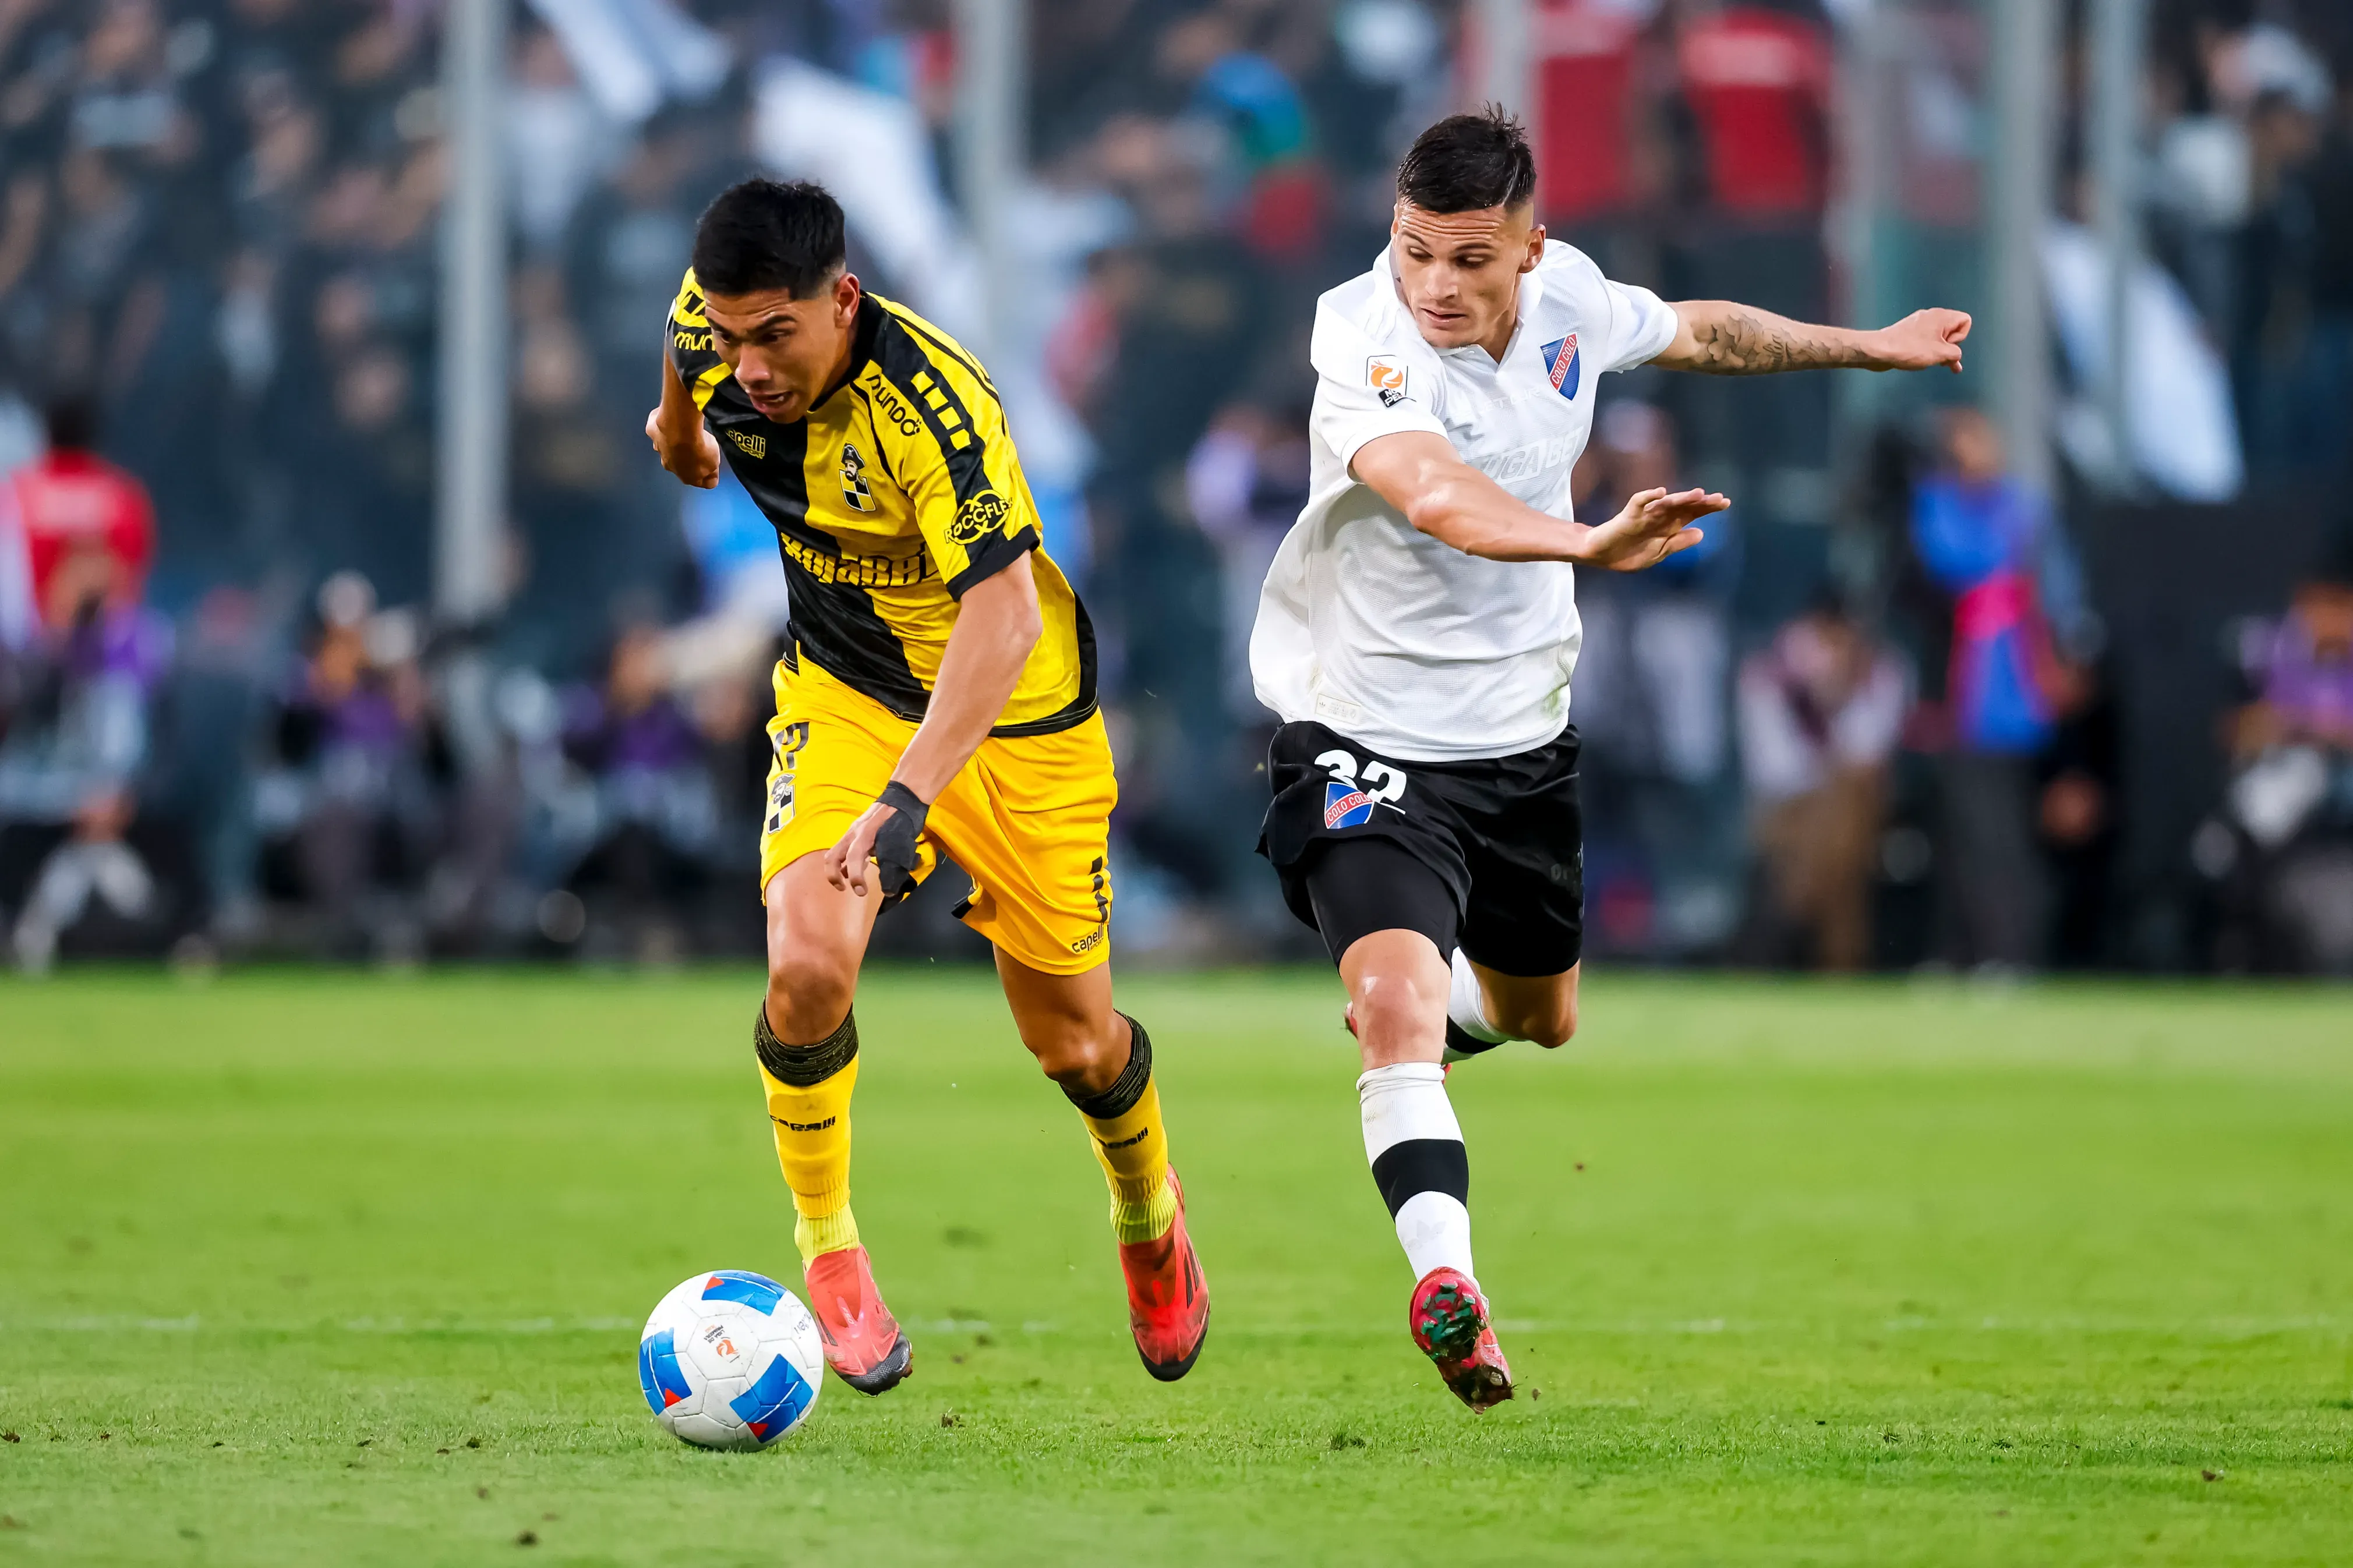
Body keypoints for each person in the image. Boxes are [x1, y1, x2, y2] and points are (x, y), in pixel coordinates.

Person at [1249, 108, 1968, 1410]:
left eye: (1471, 258)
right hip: (1360, 731)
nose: (1436, 286)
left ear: (1534, 248)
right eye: (1416, 252)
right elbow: (1430, 493)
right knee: (1402, 998)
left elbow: (1694, 328)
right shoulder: (1359, 333)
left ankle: (1410, 1036)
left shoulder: (1573, 301)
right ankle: (1446, 1283)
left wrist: (1868, 347)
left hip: (1518, 743)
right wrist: (1586, 545)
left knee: (1538, 1017)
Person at [645, 180, 1209, 1397]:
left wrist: (907, 799)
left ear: (841, 300)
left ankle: (1145, 1210)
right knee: (804, 964)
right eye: (731, 338)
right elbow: (687, 342)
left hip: (1015, 718)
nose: (748, 365)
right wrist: (680, 428)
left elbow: (1000, 616)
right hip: (848, 691)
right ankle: (830, 1249)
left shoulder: (934, 406)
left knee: (1075, 1039)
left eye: (774, 338)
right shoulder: (719, 326)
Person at [1736, 599, 1910, 971]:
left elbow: (1869, 756)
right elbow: (1774, 769)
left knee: (1846, 813)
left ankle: (1807, 908)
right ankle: (1830, 948)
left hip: (1854, 808)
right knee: (1834, 833)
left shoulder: (1879, 673)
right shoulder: (1766, 679)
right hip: (1787, 808)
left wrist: (1840, 696)